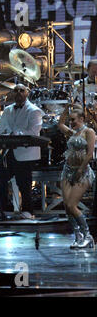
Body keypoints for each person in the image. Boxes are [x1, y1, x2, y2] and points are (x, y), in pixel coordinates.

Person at [0, 84, 44, 219]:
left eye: (21, 90)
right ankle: (5, 208)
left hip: (26, 154)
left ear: (27, 93)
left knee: (23, 182)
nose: (18, 93)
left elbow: (33, 131)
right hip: (10, 152)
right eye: (16, 90)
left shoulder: (34, 110)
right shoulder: (8, 110)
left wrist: (15, 134)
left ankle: (28, 211)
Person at [58, 105, 95, 249]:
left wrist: (81, 169)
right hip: (67, 171)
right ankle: (78, 235)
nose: (71, 122)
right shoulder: (72, 133)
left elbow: (89, 154)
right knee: (67, 207)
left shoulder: (88, 132)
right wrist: (66, 109)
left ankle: (88, 236)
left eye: (73, 120)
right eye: (70, 120)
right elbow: (60, 124)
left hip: (82, 172)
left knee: (72, 205)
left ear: (81, 118)